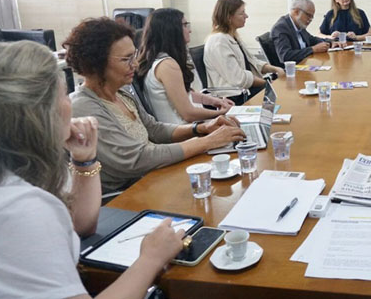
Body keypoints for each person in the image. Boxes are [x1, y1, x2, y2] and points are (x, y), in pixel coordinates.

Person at [0, 40, 186, 298]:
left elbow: (81, 225)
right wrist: (151, 258)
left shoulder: (19, 175)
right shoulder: (21, 208)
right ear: (39, 113)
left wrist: (84, 159)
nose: (70, 104)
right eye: (64, 95)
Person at [65, 18, 246, 193]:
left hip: (150, 178)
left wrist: (200, 128)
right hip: (123, 194)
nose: (135, 64)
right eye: (126, 59)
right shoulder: (83, 107)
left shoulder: (121, 93)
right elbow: (137, 158)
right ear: (96, 63)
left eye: (134, 56)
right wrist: (208, 141)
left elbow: (153, 129)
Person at [136, 8, 234, 124]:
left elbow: (181, 94)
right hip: (185, 130)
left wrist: (213, 101)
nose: (189, 30)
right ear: (171, 30)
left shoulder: (157, 59)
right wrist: (221, 113)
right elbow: (188, 114)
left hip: (187, 127)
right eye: (185, 25)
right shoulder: (167, 65)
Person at [205, 0, 285, 104]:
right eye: (241, 13)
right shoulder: (218, 41)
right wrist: (268, 84)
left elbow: (252, 62)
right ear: (229, 17)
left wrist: (274, 69)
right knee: (282, 98)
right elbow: (239, 79)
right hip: (233, 98)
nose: (246, 16)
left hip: (246, 91)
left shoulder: (232, 36)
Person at [271, 0, 342, 63]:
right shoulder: (281, 28)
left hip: (305, 64)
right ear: (296, 12)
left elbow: (312, 40)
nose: (310, 20)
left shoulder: (299, 25)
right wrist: (313, 49)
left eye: (312, 17)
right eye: (308, 15)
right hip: (292, 69)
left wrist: (330, 43)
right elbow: (285, 56)